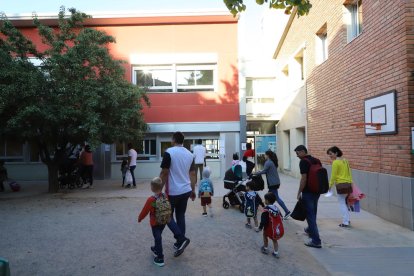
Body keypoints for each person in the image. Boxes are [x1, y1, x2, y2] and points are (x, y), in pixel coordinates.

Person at [138, 177, 189, 266]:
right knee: (158, 236)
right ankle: (157, 248)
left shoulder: (151, 200)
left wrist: (140, 218)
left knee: (157, 237)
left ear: (152, 188)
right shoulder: (165, 196)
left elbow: (145, 211)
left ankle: (160, 258)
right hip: (164, 221)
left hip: (155, 223)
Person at [160, 131, 195, 249]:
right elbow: (193, 174)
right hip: (186, 190)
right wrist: (193, 190)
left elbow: (164, 173)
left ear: (174, 140)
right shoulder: (190, 154)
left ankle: (181, 238)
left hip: (173, 192)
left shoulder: (169, 152)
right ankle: (180, 243)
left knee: (166, 215)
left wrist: (158, 189)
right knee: (181, 215)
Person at [294, 145, 322, 248]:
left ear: (302, 152)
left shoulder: (303, 162)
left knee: (310, 215)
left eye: (297, 153)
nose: (297, 156)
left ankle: (316, 241)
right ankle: (310, 230)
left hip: (308, 192)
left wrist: (299, 192)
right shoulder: (316, 160)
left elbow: (304, 179)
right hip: (317, 191)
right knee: (313, 212)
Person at [255, 150, 291, 220]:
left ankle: (286, 211)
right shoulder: (272, 162)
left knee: (274, 198)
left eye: (265, 155)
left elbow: (264, 171)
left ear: (268, 155)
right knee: (271, 197)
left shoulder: (268, 162)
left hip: (273, 183)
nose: (264, 156)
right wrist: (258, 172)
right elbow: (265, 170)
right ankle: (270, 210)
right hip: (275, 182)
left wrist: (255, 173)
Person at [327, 146, 353, 228]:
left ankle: (345, 222)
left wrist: (329, 186)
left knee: (342, 203)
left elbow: (333, 176)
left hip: (341, 185)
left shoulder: (335, 162)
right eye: (329, 154)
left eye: (331, 154)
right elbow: (349, 173)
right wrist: (351, 183)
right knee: (345, 203)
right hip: (348, 184)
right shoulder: (345, 161)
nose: (330, 156)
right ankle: (347, 220)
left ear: (336, 153)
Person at [258, 192, 283, 258]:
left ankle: (265, 248)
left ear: (267, 201)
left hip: (267, 228)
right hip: (275, 229)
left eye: (265, 199)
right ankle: (276, 252)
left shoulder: (266, 210)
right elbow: (281, 217)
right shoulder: (276, 208)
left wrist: (260, 228)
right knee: (274, 240)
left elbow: (263, 221)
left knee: (265, 236)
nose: (264, 200)